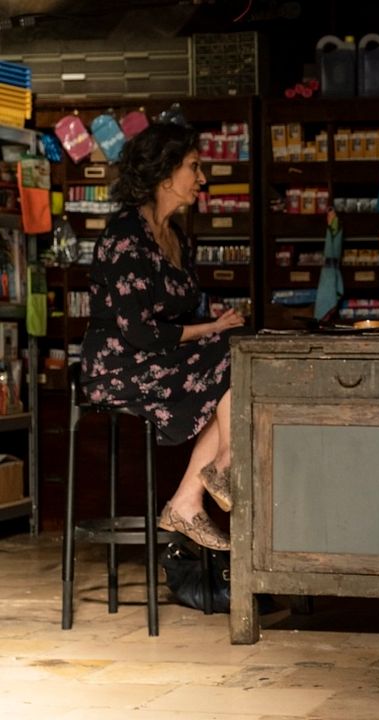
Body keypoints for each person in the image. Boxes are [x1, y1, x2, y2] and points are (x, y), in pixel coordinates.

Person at [81, 122, 244, 551]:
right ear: (165, 173)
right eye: (195, 166)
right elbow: (139, 332)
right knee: (228, 352)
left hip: (158, 357)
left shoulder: (175, 238)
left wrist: (215, 324)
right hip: (118, 366)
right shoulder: (124, 237)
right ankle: (221, 467)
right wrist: (211, 330)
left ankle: (187, 500)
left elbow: (181, 314)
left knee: (242, 352)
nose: (203, 178)